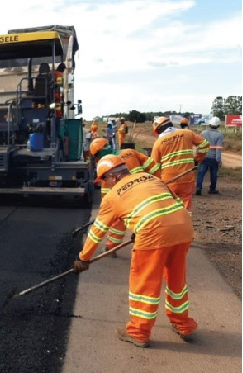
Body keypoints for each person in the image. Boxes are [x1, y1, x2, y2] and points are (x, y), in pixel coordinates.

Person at [73, 156, 197, 348]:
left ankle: (138, 332)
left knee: (144, 285)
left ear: (112, 177)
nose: (104, 184)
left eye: (104, 180)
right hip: (182, 227)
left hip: (153, 233)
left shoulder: (113, 196)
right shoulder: (149, 177)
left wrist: (83, 258)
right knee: (176, 279)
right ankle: (183, 325)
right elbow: (166, 203)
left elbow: (97, 232)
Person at [89, 139, 157, 256]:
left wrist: (106, 214)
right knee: (150, 220)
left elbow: (106, 196)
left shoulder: (107, 169)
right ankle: (152, 247)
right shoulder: (130, 152)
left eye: (96, 156)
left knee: (118, 221)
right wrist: (156, 182)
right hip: (146, 193)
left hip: (126, 198)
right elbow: (153, 167)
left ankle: (111, 248)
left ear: (99, 153)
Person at [148, 116, 210, 217]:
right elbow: (204, 144)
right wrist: (197, 159)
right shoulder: (187, 133)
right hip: (187, 177)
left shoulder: (158, 143)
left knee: (169, 205)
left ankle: (173, 226)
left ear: (159, 129)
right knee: (186, 203)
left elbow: (154, 167)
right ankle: (185, 225)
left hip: (169, 180)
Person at [196, 116, 224, 195]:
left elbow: (200, 145)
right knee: (214, 174)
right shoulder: (220, 135)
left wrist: (198, 156)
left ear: (210, 124)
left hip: (204, 157)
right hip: (213, 158)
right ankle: (212, 189)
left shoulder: (203, 133)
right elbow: (218, 149)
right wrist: (218, 160)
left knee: (201, 173)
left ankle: (198, 188)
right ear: (218, 125)